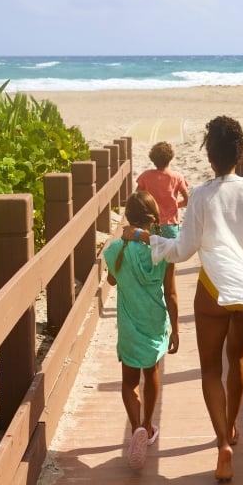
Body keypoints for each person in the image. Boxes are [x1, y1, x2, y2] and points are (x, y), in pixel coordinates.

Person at [122, 116, 243, 482]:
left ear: (209, 157)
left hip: (212, 288)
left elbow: (182, 250)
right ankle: (233, 425)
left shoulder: (203, 196)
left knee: (210, 368)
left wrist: (146, 238)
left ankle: (222, 441)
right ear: (240, 153)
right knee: (237, 357)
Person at [103, 190, 180, 470]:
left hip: (129, 323)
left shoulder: (115, 249)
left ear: (127, 217)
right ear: (154, 218)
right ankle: (147, 425)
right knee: (152, 371)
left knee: (129, 381)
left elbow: (112, 281)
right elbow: (171, 293)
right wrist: (175, 329)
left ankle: (135, 426)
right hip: (155, 320)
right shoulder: (162, 251)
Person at [136, 141, 190, 307]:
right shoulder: (177, 177)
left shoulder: (145, 176)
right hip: (171, 227)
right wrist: (175, 206)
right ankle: (170, 298)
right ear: (170, 158)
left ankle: (153, 298)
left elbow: (137, 198)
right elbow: (187, 199)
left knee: (152, 262)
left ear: (153, 158)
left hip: (152, 225)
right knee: (169, 270)